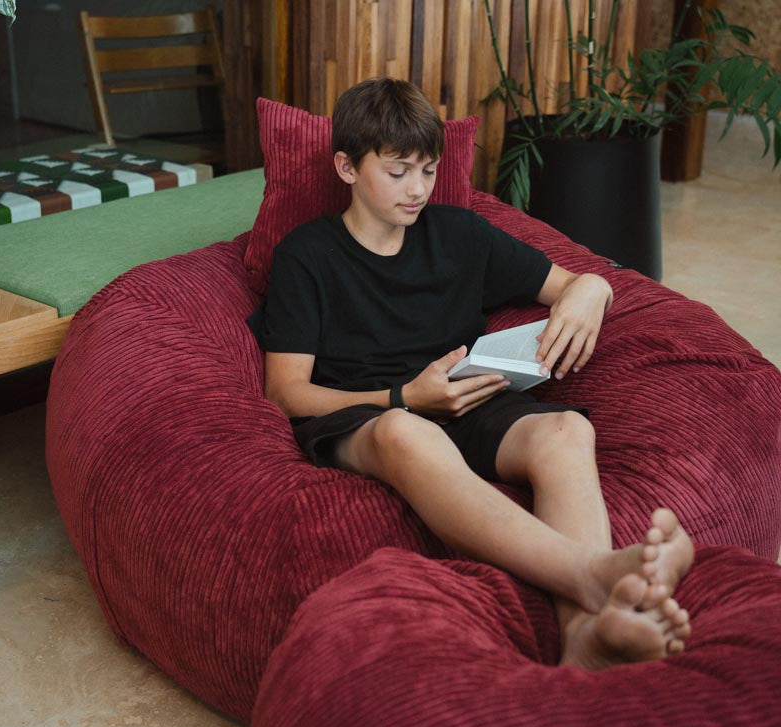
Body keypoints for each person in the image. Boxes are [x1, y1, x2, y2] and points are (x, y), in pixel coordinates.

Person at [250, 77, 693, 670]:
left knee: (566, 431)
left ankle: (584, 636)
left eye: (429, 171)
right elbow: (285, 391)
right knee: (408, 432)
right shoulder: (306, 255)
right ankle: (592, 575)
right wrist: (404, 397)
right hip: (371, 411)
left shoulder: (459, 234)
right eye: (399, 170)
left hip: (465, 396)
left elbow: (573, 280)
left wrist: (593, 290)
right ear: (347, 168)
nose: (418, 190)